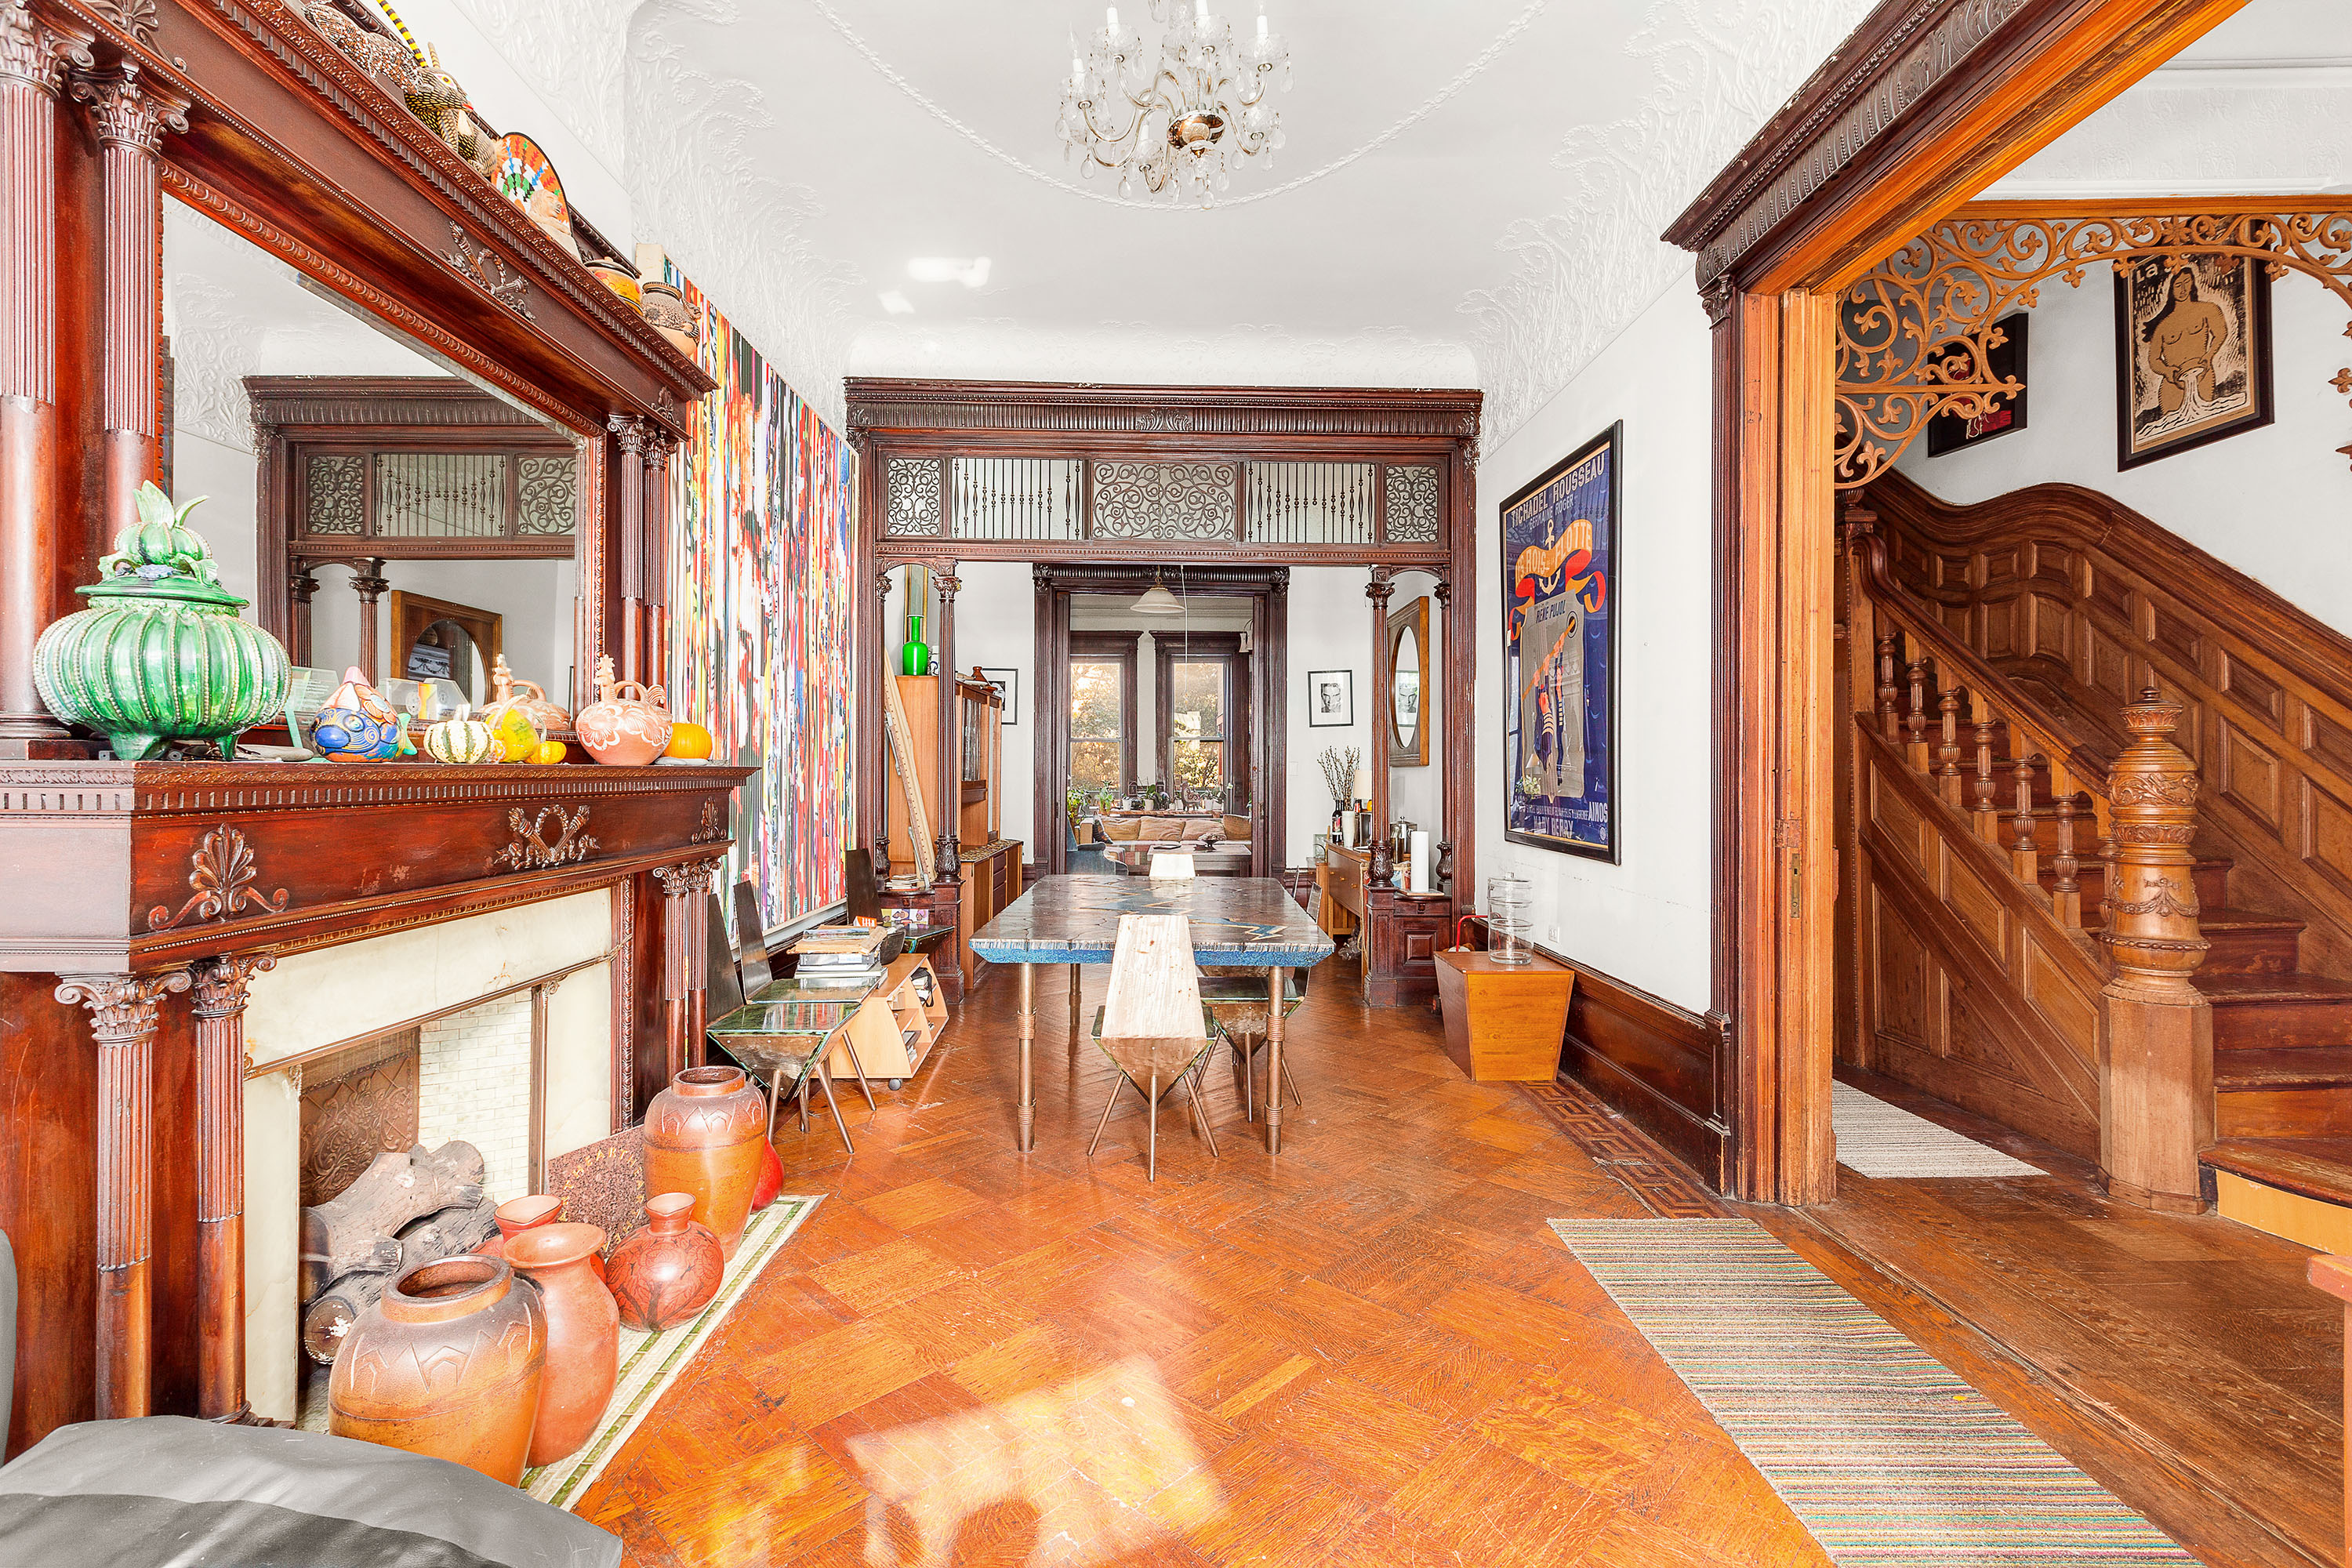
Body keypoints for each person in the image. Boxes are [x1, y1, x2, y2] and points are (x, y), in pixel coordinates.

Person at [2141, 267, 2230, 428]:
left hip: (2202, 374)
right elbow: (2154, 360)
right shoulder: (2163, 326)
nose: (2182, 289)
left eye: (2186, 283)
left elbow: (2220, 333)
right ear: (2171, 289)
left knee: (2205, 423)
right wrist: (2167, 371)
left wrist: (2209, 355)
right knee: (2170, 427)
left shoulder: (2207, 309)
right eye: (2178, 285)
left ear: (2192, 284)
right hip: (2172, 384)